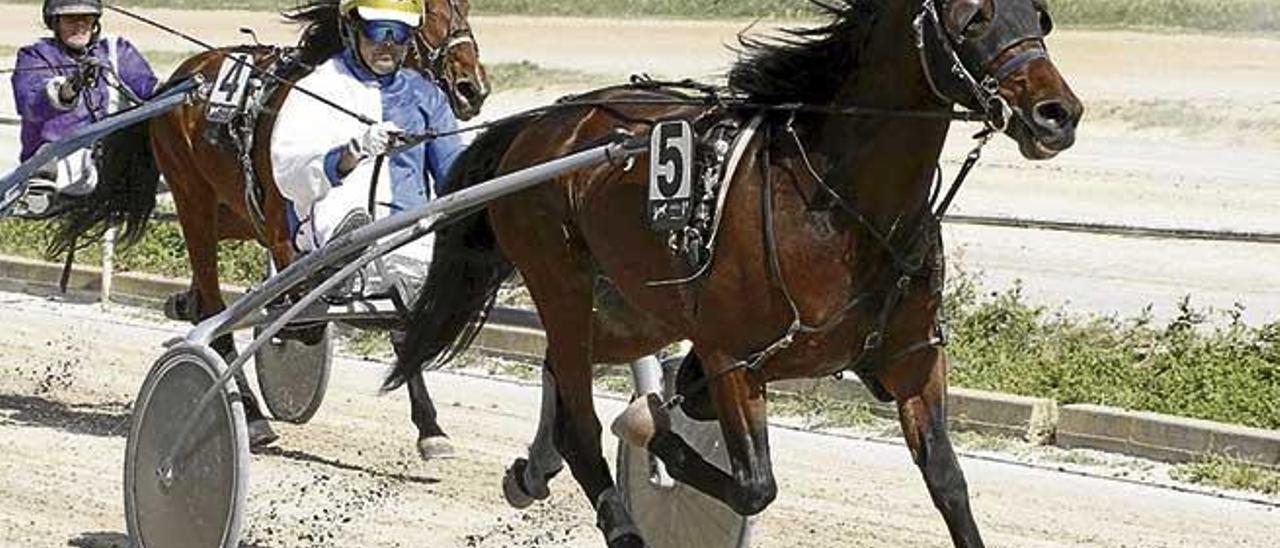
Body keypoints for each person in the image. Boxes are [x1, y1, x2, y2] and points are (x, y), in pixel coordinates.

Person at [272, 0, 464, 304]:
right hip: (328, 220)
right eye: (377, 31)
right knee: (349, 218)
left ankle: (407, 284)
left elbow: (454, 178)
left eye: (399, 33)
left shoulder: (427, 96)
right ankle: (340, 263)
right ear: (352, 30)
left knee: (422, 249)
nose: (387, 44)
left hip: (407, 228)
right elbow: (287, 176)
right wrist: (349, 155)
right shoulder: (317, 88)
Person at [10, 0, 157, 218]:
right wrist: (69, 88)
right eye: (71, 19)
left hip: (112, 161)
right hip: (59, 161)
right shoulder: (35, 56)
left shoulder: (117, 52)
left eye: (86, 19)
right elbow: (30, 103)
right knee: (48, 158)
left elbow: (149, 90)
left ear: (95, 22)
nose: (79, 26)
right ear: (54, 23)